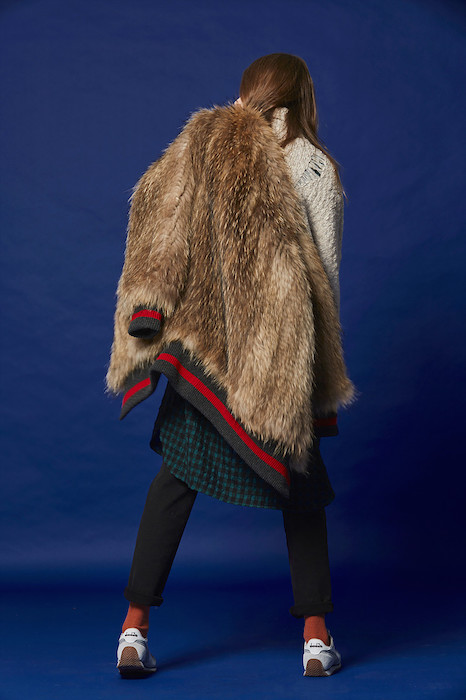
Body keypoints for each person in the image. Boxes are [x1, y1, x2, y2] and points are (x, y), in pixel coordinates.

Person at [106, 53, 358, 679]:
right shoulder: (314, 168)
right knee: (302, 495)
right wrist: (310, 371)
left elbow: (155, 208)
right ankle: (316, 641)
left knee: (174, 483)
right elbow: (323, 282)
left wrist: (152, 308)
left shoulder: (203, 141)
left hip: (205, 355)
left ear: (248, 93)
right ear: (302, 100)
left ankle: (132, 633)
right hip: (276, 363)